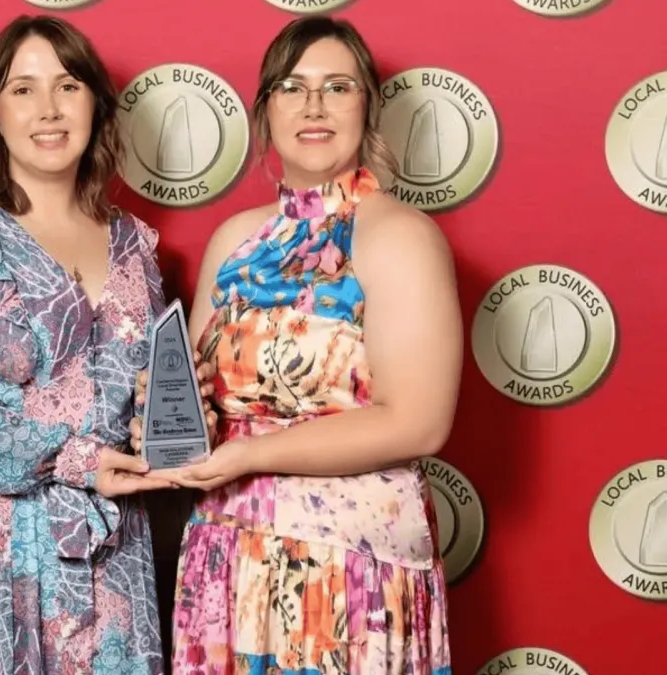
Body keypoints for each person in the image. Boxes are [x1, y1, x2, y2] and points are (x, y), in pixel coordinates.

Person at [131, 16, 461, 675]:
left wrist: (251, 455)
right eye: (292, 87)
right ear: (266, 111)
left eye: (337, 86)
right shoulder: (234, 241)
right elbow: (198, 407)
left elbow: (419, 421)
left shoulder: (401, 236)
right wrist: (164, 416)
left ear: (367, 106)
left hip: (345, 571)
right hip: (227, 558)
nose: (313, 105)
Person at [0, 14, 200, 675]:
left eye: (68, 85)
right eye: (23, 89)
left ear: (96, 106)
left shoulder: (135, 245)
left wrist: (173, 424)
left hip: (110, 554)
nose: (49, 109)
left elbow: (141, 391)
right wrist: (76, 458)